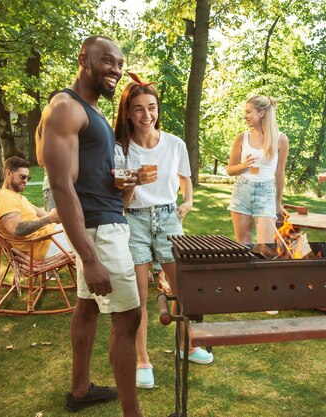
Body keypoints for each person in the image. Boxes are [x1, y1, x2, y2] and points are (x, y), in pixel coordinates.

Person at [36, 36, 143, 416]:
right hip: (98, 232)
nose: (114, 68)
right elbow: (62, 185)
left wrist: (123, 185)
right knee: (129, 319)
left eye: (119, 62)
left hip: (105, 223)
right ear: (83, 59)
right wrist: (90, 257)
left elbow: (87, 177)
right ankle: (134, 413)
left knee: (87, 309)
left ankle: (80, 390)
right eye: (106, 60)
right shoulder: (66, 107)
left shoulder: (93, 111)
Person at [114, 73, 212, 390]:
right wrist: (134, 183)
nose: (147, 115)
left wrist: (187, 202)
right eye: (139, 109)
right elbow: (121, 201)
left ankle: (188, 344)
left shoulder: (175, 144)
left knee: (183, 287)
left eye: (152, 107)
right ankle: (143, 360)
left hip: (169, 219)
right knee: (138, 297)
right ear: (128, 112)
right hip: (134, 221)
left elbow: (183, 178)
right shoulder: (119, 149)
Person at [227, 95, 289, 244]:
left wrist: (278, 202)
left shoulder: (280, 139)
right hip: (242, 191)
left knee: (266, 246)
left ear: (261, 113)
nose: (245, 116)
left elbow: (280, 173)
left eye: (249, 112)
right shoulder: (241, 138)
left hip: (266, 193)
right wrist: (244, 166)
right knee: (243, 244)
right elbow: (230, 170)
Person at [0, 156, 71, 259]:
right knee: (91, 239)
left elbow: (46, 214)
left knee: (88, 228)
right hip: (45, 244)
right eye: (22, 177)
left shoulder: (17, 197)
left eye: (28, 177)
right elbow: (16, 230)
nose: (26, 181)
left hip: (52, 236)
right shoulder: (4, 198)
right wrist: (49, 219)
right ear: (8, 173)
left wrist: (59, 215)